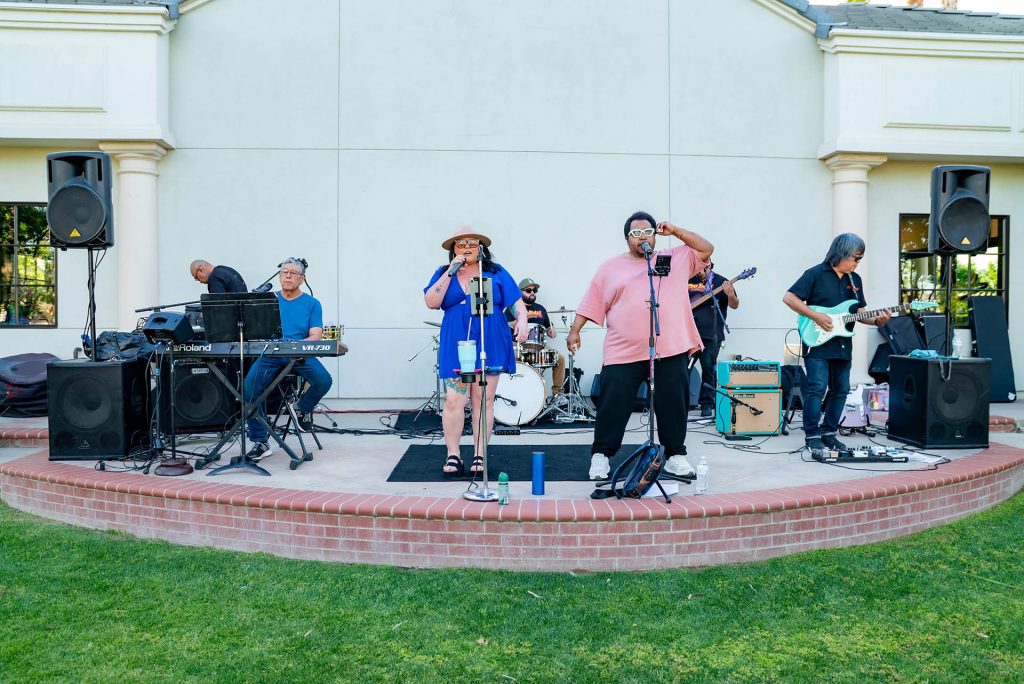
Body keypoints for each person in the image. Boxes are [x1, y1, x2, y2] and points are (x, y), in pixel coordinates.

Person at [567, 211, 713, 480]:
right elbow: (591, 302)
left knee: (673, 403)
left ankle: (675, 455)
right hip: (623, 351)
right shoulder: (610, 268)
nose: (643, 237)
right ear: (627, 239)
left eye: (648, 232)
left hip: (670, 348)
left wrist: (677, 231)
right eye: (636, 234)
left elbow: (706, 248)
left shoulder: (675, 258)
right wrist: (575, 330)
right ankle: (601, 456)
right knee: (614, 403)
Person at [424, 227, 528, 477]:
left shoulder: (496, 271)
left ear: (481, 247)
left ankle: (480, 454)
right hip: (457, 340)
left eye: (472, 243)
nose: (467, 247)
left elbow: (516, 303)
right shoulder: (443, 273)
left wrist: (522, 320)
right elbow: (431, 302)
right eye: (461, 244)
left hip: (489, 338)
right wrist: (450, 273)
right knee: (454, 399)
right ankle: (453, 454)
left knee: (484, 399)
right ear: (453, 250)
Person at [782, 233, 890, 451]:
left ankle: (829, 431)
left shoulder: (855, 280)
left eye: (860, 259)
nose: (857, 263)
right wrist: (816, 316)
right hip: (817, 342)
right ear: (841, 253)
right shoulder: (815, 274)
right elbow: (789, 298)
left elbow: (859, 312)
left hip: (842, 344)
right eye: (855, 258)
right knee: (817, 387)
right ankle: (812, 435)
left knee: (840, 389)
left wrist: (878, 321)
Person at [242, 258, 332, 461]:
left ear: (302, 278)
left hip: (299, 354)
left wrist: (298, 347)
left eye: (293, 273)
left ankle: (302, 408)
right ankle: (260, 441)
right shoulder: (267, 300)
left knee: (324, 380)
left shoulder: (312, 303)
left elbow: (316, 335)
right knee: (249, 388)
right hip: (270, 354)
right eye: (284, 272)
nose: (288, 276)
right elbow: (255, 331)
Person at [688, 262, 739, 417]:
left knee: (708, 370)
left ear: (710, 266)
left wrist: (730, 294)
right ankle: (681, 403)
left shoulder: (721, 282)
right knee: (682, 370)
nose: (699, 271)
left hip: (711, 335)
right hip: (687, 334)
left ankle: (706, 404)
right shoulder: (686, 279)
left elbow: (735, 305)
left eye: (703, 267)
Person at [503, 277, 566, 393]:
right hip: (518, 346)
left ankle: (558, 395)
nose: (532, 293)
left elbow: (550, 330)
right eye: (528, 290)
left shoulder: (541, 309)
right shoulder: (513, 307)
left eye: (534, 290)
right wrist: (521, 319)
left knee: (560, 359)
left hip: (539, 347)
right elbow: (507, 324)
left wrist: (551, 331)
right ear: (520, 291)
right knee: (506, 359)